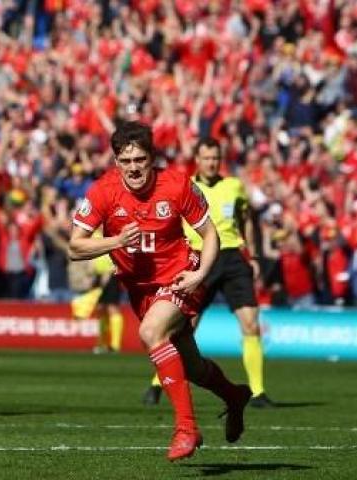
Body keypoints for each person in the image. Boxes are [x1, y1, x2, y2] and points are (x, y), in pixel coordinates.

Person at [69, 121, 251, 462]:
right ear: (116, 162)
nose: (134, 168)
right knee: (193, 368)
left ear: (152, 158)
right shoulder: (103, 191)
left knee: (151, 331)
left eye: (141, 159)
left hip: (181, 278)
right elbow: (75, 247)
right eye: (126, 161)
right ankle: (234, 395)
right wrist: (116, 241)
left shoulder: (176, 184)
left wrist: (198, 276)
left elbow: (210, 235)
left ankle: (186, 428)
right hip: (140, 290)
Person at [143, 138, 275, 408]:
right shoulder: (185, 186)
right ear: (197, 159)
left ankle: (258, 392)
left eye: (215, 158)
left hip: (232, 257)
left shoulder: (234, 186)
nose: (211, 163)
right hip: (198, 258)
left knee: (251, 322)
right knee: (182, 327)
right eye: (206, 158)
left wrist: (254, 254)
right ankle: (158, 384)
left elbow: (247, 219)